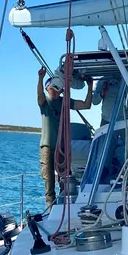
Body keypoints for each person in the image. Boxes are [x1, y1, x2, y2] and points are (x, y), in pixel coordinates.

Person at [37, 67, 93, 209]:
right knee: (48, 180)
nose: (54, 89)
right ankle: (50, 210)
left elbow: (86, 105)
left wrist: (90, 86)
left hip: (61, 147)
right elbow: (39, 96)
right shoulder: (45, 103)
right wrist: (40, 78)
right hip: (47, 147)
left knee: (65, 180)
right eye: (52, 87)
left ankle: (64, 207)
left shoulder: (65, 102)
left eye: (58, 87)